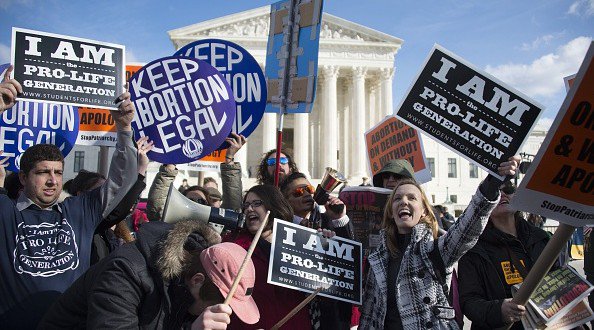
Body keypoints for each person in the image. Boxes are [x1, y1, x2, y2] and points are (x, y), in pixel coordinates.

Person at [0, 88, 139, 328]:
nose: (53, 180)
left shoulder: (79, 211)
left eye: (58, 172)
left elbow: (123, 180)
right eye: (43, 172)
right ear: (23, 178)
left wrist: (124, 128)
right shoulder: (5, 213)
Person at [359, 156, 520, 329]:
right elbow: (369, 316)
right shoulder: (378, 259)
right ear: (391, 211)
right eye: (397, 199)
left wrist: (493, 183)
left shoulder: (435, 249)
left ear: (423, 211)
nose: (404, 201)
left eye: (411, 198)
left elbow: (466, 228)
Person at [39, 220, 260, 329]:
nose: (217, 313)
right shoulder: (125, 272)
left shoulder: (184, 283)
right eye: (213, 305)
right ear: (197, 281)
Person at [458, 181, 557, 330]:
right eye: (494, 191)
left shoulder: (542, 238)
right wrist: (499, 310)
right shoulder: (472, 249)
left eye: (508, 189)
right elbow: (469, 302)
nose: (502, 194)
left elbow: (560, 281)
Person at [225, 185, 312, 329]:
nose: (249, 209)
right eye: (246, 205)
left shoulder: (300, 242)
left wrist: (326, 243)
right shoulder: (234, 245)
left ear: (274, 206)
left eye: (256, 203)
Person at [280, 172, 353, 329]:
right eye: (299, 192)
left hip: (331, 316)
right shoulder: (279, 229)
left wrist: (339, 218)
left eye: (309, 189)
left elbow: (351, 259)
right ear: (286, 201)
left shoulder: (329, 219)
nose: (306, 194)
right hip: (295, 312)